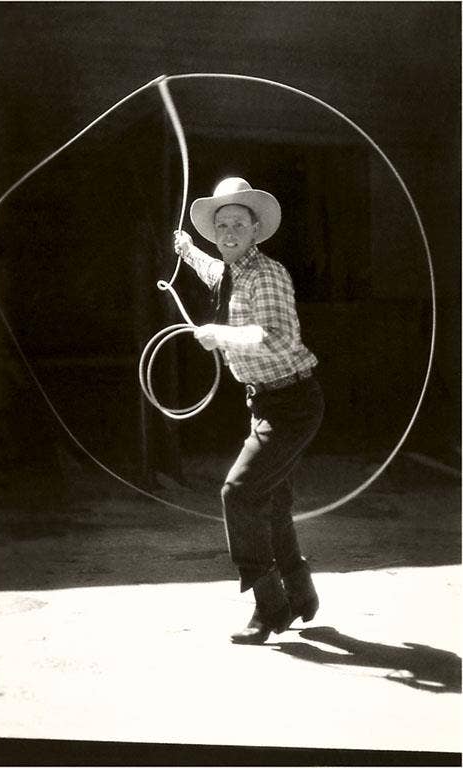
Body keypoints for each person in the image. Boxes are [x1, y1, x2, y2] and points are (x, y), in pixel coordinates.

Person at [174, 177, 324, 644]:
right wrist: (187, 250)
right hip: (265, 401)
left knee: (238, 493)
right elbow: (212, 269)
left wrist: (220, 335)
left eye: (238, 224)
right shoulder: (230, 270)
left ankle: (269, 606)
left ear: (256, 229)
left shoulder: (267, 274)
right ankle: (299, 593)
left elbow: (276, 337)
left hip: (292, 403)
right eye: (222, 226)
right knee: (272, 500)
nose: (229, 233)